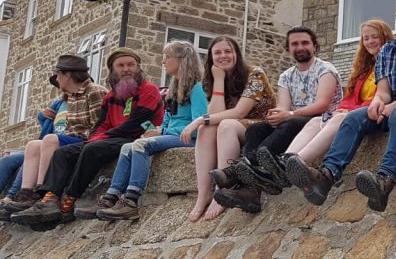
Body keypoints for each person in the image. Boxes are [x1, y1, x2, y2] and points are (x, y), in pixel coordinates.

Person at [285, 0, 396, 212]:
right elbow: (383, 91)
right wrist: (377, 101)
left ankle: (385, 180)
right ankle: (326, 176)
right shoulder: (387, 50)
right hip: (394, 106)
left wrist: (393, 105)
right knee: (354, 117)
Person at [11, 48, 163, 225]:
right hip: (110, 138)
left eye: (131, 65)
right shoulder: (110, 97)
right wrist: (96, 137)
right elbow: (101, 124)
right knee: (63, 153)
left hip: (136, 137)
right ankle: (49, 199)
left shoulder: (148, 91)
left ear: (138, 68)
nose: (126, 69)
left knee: (92, 149)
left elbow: (135, 124)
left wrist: (100, 138)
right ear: (113, 70)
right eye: (121, 65)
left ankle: (68, 201)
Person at [212, 28, 343, 213]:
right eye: (295, 44)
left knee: (289, 123)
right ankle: (251, 192)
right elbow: (283, 105)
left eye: (305, 43)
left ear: (315, 46)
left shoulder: (326, 69)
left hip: (319, 122)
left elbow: (322, 104)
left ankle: (239, 172)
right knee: (255, 130)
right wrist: (276, 115)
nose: (300, 47)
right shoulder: (286, 76)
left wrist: (288, 114)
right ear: (288, 48)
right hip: (293, 119)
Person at [79, 41, 208, 221]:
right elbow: (169, 118)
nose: (163, 62)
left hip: (188, 138)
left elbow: (198, 122)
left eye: (167, 57)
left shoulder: (197, 88)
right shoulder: (174, 88)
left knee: (140, 145)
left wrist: (168, 131)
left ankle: (131, 199)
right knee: (127, 148)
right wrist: (160, 129)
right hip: (171, 134)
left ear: (181, 60)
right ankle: (111, 196)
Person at [276, 21, 392, 175]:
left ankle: (296, 164)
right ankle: (285, 159)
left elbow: (384, 95)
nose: (370, 42)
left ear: (384, 38)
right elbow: (350, 96)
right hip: (353, 111)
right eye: (366, 38)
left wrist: (347, 111)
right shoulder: (365, 68)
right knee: (316, 121)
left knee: (337, 119)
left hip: (376, 112)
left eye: (374, 37)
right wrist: (342, 109)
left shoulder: (392, 63)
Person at [182, 36, 274, 221]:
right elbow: (216, 114)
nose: (223, 56)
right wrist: (218, 80)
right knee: (206, 129)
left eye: (228, 51)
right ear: (211, 57)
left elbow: (240, 112)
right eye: (217, 52)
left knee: (223, 125)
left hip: (261, 125)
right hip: (234, 126)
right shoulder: (212, 79)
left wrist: (200, 119)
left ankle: (222, 189)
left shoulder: (255, 73)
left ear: (236, 54)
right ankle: (203, 194)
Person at [2, 56, 106, 219]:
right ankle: (26, 194)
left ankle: (41, 193)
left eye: (58, 75)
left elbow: (100, 126)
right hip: (76, 138)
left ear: (67, 75)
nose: (57, 80)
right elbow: (71, 127)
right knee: (33, 145)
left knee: (50, 139)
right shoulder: (72, 96)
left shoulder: (95, 91)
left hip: (90, 140)